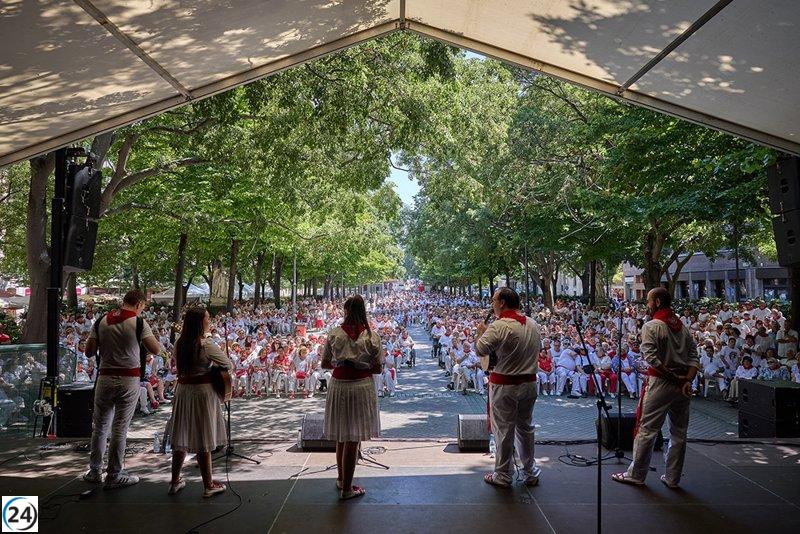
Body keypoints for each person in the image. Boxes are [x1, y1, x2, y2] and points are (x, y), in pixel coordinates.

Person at [612, 287, 698, 489]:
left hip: (661, 383)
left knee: (647, 429)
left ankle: (636, 474)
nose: (647, 305)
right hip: (683, 385)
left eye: (649, 301)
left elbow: (651, 358)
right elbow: (694, 356)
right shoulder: (683, 327)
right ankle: (673, 477)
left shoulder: (652, 326)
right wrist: (686, 380)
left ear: (658, 302)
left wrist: (674, 377)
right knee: (679, 432)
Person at [84, 290, 162, 489]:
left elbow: (89, 351)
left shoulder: (102, 320)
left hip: (104, 377)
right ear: (138, 304)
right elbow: (155, 349)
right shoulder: (138, 323)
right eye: (143, 307)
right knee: (120, 428)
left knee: (100, 427)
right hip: (129, 378)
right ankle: (114, 474)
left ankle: (94, 471)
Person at [476, 287, 542, 488]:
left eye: (494, 300)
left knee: (504, 430)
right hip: (529, 384)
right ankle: (529, 471)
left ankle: (503, 475)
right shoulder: (533, 324)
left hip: (505, 386)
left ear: (502, 302)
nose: (492, 304)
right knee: (525, 428)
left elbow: (481, 349)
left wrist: (481, 334)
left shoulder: (499, 326)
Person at [321, 295, 382, 500]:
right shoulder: (371, 336)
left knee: (341, 436)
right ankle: (347, 489)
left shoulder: (334, 333)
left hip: (339, 385)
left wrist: (341, 364)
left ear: (346, 311)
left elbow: (325, 363)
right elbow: (378, 368)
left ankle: (341, 479)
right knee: (352, 438)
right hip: (360, 386)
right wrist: (361, 364)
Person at [167, 307, 230, 497]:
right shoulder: (205, 344)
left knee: (182, 434)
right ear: (200, 322)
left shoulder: (179, 343)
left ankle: (174, 480)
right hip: (202, 392)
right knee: (204, 434)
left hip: (183, 390)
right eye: (207, 318)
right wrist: (211, 366)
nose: (209, 321)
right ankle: (208, 484)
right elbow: (228, 364)